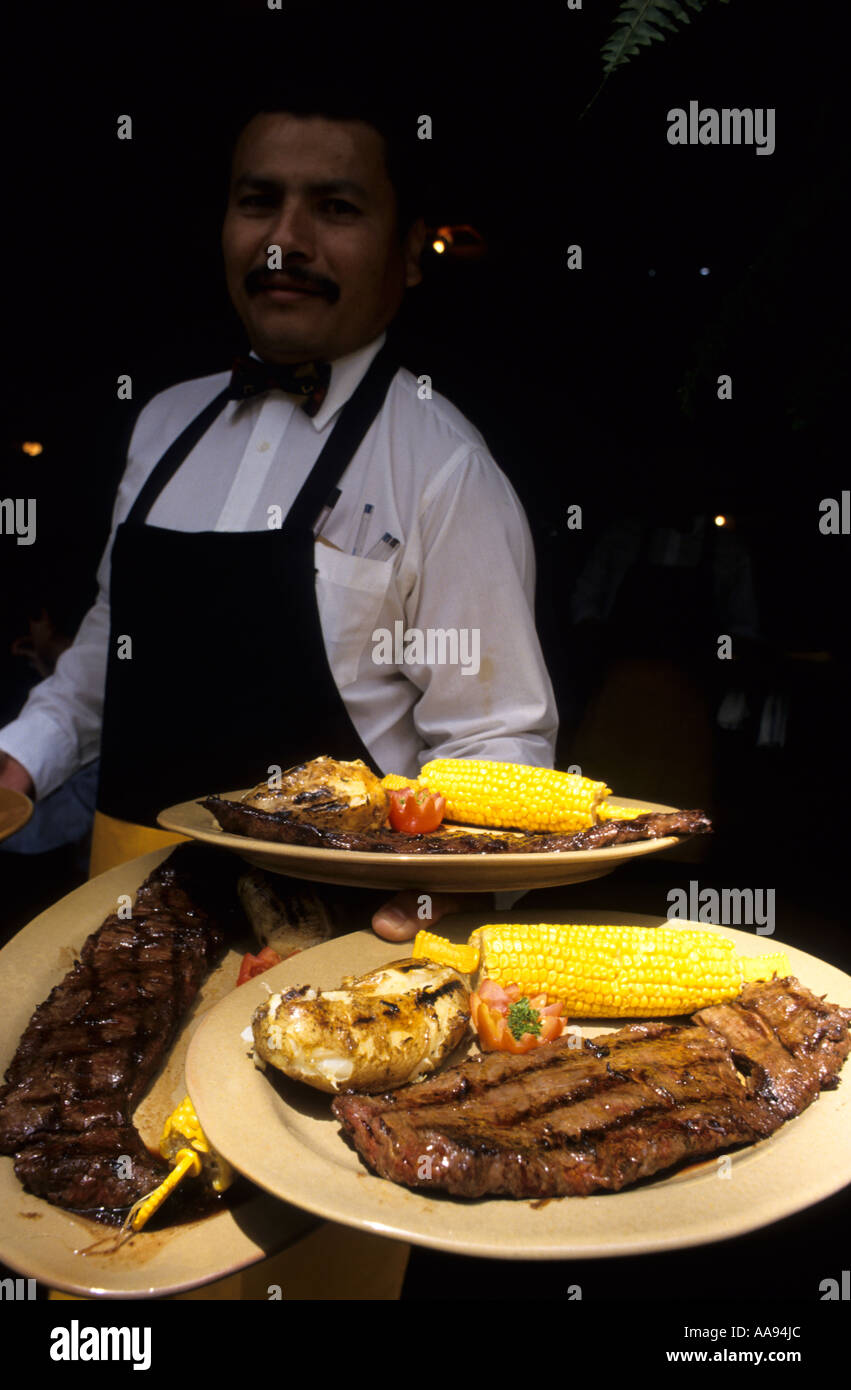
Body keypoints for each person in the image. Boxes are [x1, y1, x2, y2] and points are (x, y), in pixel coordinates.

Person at [0, 88, 558, 944]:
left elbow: (495, 738)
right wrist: (23, 754)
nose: (283, 241)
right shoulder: (161, 425)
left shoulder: (445, 466)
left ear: (409, 253)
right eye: (258, 201)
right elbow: (109, 651)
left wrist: (452, 879)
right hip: (118, 924)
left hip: (328, 952)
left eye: (334, 208)